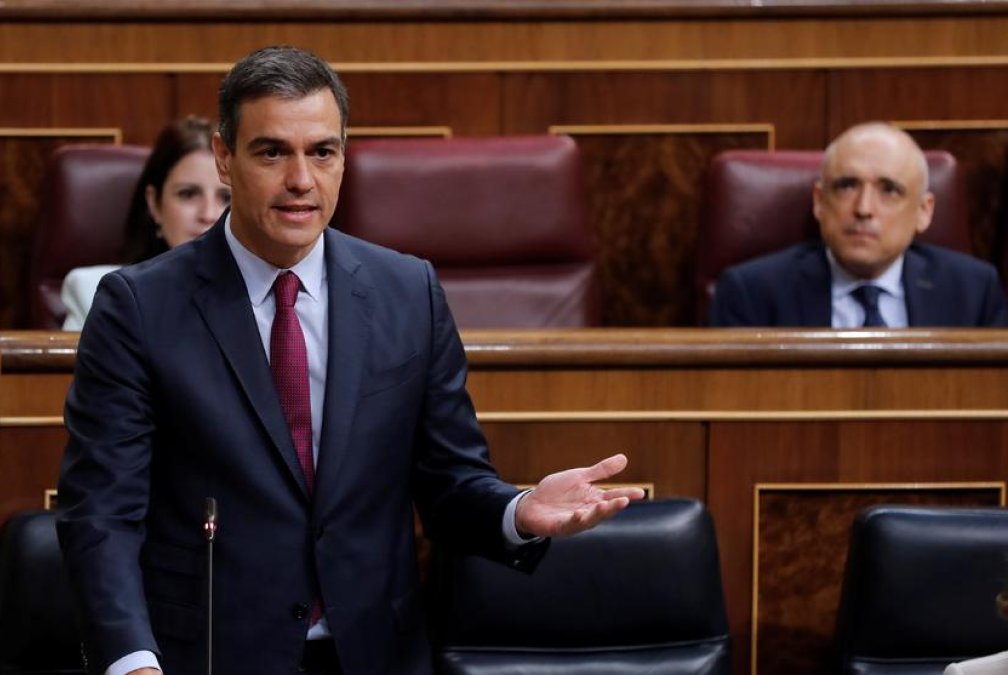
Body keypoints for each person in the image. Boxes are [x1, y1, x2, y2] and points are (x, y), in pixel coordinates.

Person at [56, 45, 645, 675]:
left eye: (322, 152)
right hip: (206, 655)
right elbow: (103, 513)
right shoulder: (139, 307)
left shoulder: (407, 291)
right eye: (272, 151)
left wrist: (516, 511)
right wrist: (131, 662)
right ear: (225, 158)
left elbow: (450, 483)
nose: (301, 181)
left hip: (374, 653)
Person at [709, 122, 1008, 328]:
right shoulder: (752, 295)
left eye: (889, 190)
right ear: (819, 201)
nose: (864, 209)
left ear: (923, 212)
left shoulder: (973, 292)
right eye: (847, 186)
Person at [60, 116, 231, 330]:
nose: (208, 214)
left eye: (226, 198)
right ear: (154, 204)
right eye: (188, 194)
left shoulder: (272, 298)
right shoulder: (95, 294)